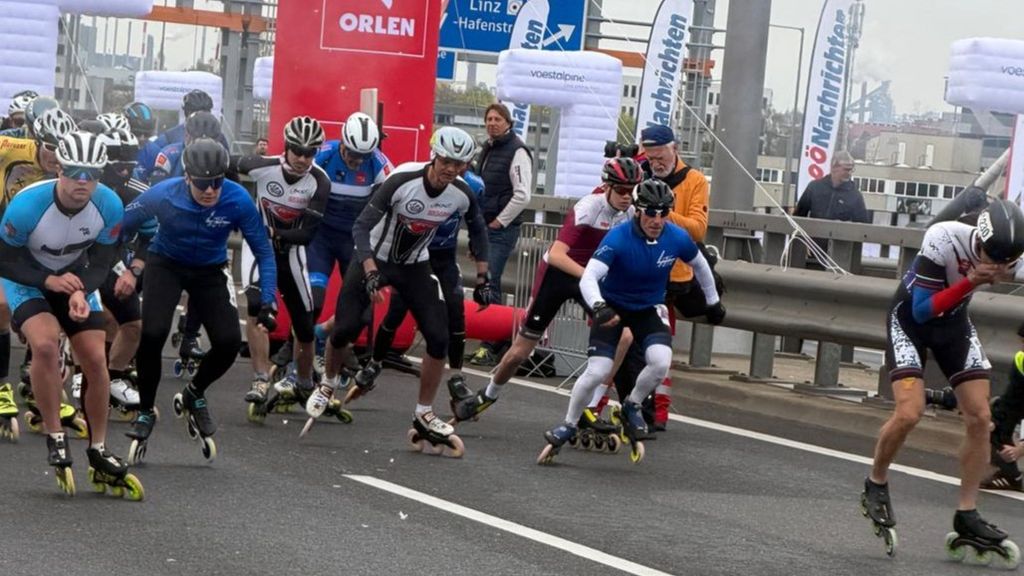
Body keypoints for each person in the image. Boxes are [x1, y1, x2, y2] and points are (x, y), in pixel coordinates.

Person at [306, 127, 491, 456]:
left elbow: (478, 229)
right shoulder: (403, 179)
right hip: (373, 258)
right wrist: (370, 270)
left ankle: (424, 412)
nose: (451, 169)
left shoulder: (461, 192)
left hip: (414, 265)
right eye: (446, 161)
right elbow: (361, 226)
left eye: (459, 164)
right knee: (347, 327)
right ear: (434, 156)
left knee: (438, 337)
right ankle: (327, 383)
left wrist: (483, 277)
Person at [862, 200, 1024, 560]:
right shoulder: (944, 237)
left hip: (953, 324)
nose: (999, 269)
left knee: (981, 417)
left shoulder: (1011, 255)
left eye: (1007, 263)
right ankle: (876, 481)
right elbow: (922, 310)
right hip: (910, 321)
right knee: (910, 412)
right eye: (993, 259)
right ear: (980, 240)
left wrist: (981, 278)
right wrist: (970, 281)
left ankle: (967, 513)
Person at [537, 179, 725, 464]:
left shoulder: (676, 236)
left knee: (660, 362)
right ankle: (569, 423)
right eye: (650, 213)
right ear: (637, 210)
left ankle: (631, 404)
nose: (657, 220)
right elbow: (589, 277)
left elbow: (700, 264)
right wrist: (599, 306)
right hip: (613, 307)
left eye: (664, 213)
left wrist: (713, 301)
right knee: (598, 371)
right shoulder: (618, 237)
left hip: (649, 308)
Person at [0, 131, 142, 497]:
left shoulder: (109, 205)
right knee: (46, 345)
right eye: (76, 172)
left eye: (92, 174)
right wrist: (47, 280)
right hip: (28, 278)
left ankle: (98, 447)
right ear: (60, 169)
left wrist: (80, 288)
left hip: (75, 277)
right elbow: (5, 260)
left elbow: (104, 260)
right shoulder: (27, 206)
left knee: (94, 358)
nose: (83, 181)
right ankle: (55, 435)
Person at [120, 138, 277, 463]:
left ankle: (194, 393)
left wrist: (268, 300)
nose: (210, 190)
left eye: (217, 182)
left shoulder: (237, 199)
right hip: (166, 264)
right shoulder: (164, 193)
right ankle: (146, 411)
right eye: (203, 183)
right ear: (187, 177)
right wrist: (123, 267)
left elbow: (263, 250)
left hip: (210, 269)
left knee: (229, 342)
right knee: (153, 334)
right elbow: (119, 226)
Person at [451, 157, 642, 423]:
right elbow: (556, 255)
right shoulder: (588, 207)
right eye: (621, 190)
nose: (627, 196)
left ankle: (593, 405)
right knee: (520, 351)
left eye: (632, 190)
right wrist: (591, 276)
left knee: (624, 336)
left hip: (589, 278)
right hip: (558, 275)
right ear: (606, 186)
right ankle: (489, 394)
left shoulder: (630, 213)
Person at [354, 165, 485, 393]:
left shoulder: (470, 188)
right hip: (416, 256)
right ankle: (375, 362)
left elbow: (478, 224)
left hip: (444, 257)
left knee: (456, 312)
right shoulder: (420, 183)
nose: (451, 170)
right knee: (396, 311)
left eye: (458, 164)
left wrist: (479, 256)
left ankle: (457, 376)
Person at [234, 116, 330, 410]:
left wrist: (273, 232)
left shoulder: (320, 181)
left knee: (305, 325)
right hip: (258, 249)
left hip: (292, 254)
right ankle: (261, 378)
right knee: (256, 307)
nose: (302, 159)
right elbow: (222, 165)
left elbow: (307, 235)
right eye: (297, 151)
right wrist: (238, 204)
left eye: (310, 153)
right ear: (286, 147)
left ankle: (304, 382)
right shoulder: (263, 166)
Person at [0, 107, 76, 426]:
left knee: (49, 313)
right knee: (2, 306)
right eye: (50, 148)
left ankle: (37, 382)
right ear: (35, 139)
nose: (55, 157)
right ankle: (1, 387)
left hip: (37, 242)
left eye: (62, 150)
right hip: (4, 231)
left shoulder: (70, 166)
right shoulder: (10, 147)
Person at [638, 124, 712, 430]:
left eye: (660, 156)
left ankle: (659, 411)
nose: (656, 162)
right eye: (650, 157)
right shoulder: (640, 174)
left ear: (675, 149)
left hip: (672, 275)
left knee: (660, 344)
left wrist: (661, 210)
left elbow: (698, 229)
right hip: (636, 268)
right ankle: (632, 404)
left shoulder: (694, 180)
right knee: (630, 343)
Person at [79, 128, 155, 417]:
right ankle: (77, 374)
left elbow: (150, 237)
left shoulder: (138, 193)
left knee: (133, 325)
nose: (125, 170)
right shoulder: (81, 187)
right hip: (74, 258)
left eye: (130, 164)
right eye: (118, 164)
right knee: (97, 319)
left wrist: (133, 272)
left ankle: (113, 377)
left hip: (111, 258)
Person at [468, 103, 533, 367]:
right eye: (489, 119)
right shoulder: (488, 148)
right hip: (484, 227)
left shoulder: (517, 150)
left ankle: (491, 344)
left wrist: (499, 221)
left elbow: (523, 194)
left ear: (508, 122)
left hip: (500, 229)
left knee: (490, 281)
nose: (492, 123)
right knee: (484, 282)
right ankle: (488, 338)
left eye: (497, 119)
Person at [135, 90, 230, 182]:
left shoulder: (219, 137)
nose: (200, 118)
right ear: (187, 114)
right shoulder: (169, 137)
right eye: (196, 113)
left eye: (204, 113)